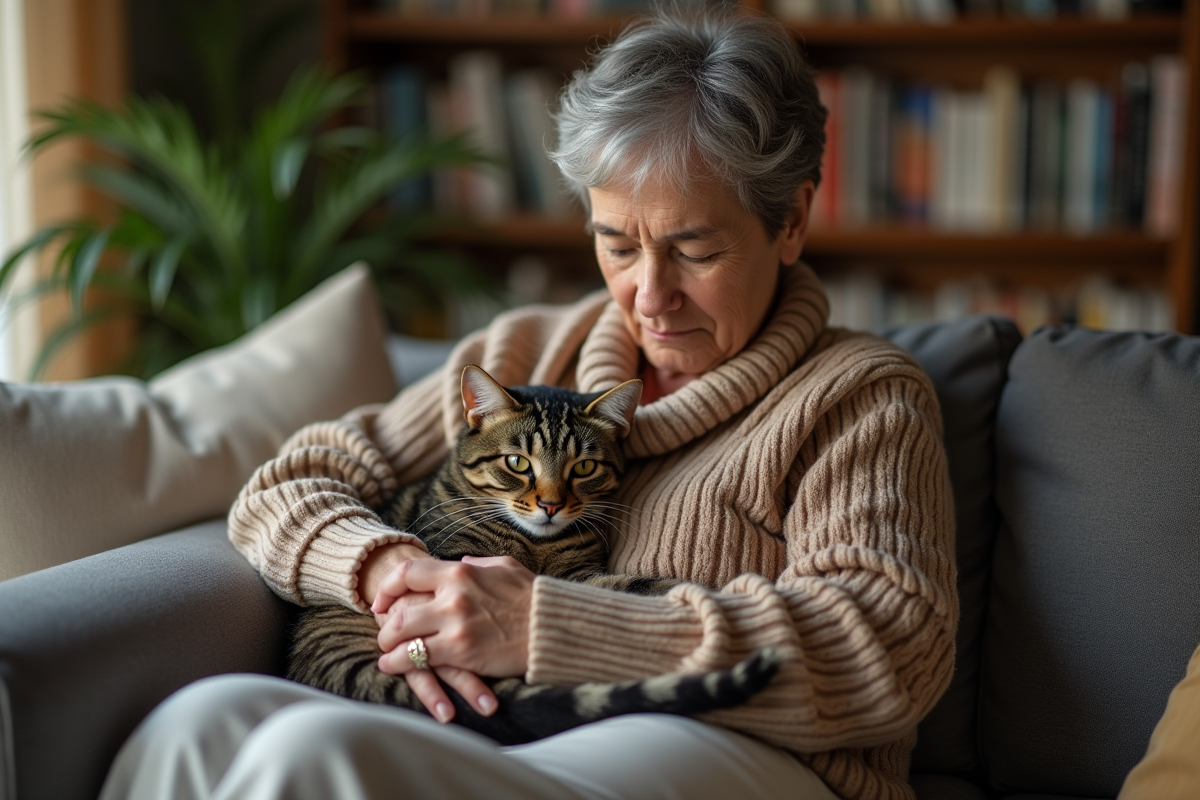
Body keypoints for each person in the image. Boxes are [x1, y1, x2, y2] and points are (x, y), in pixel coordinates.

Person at [100, 7, 957, 800]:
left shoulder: (858, 395)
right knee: (193, 723)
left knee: (307, 759)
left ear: (792, 219)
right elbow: (291, 481)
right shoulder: (520, 354)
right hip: (501, 720)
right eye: (616, 243)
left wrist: (543, 625)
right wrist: (394, 574)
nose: (647, 295)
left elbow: (889, 646)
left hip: (741, 746)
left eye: (693, 249)